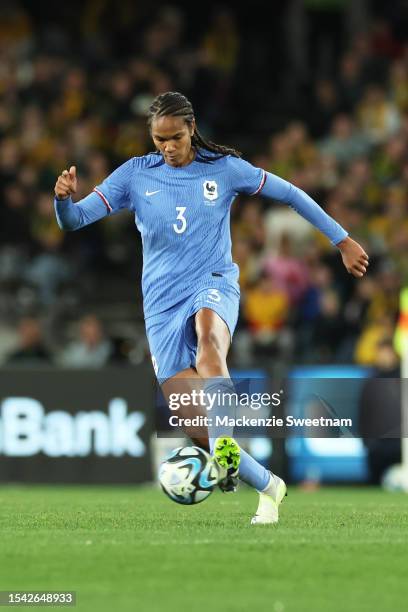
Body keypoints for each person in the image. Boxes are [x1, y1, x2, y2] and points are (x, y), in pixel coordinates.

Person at [53, 91, 369, 524]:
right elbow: (73, 221)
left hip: (213, 284)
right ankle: (267, 484)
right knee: (199, 429)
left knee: (209, 344)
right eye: (160, 139)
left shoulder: (224, 169)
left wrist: (342, 239)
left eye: (176, 138)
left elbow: (291, 193)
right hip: (161, 308)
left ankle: (224, 450)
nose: (168, 147)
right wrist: (63, 200)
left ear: (191, 129)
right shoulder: (134, 176)